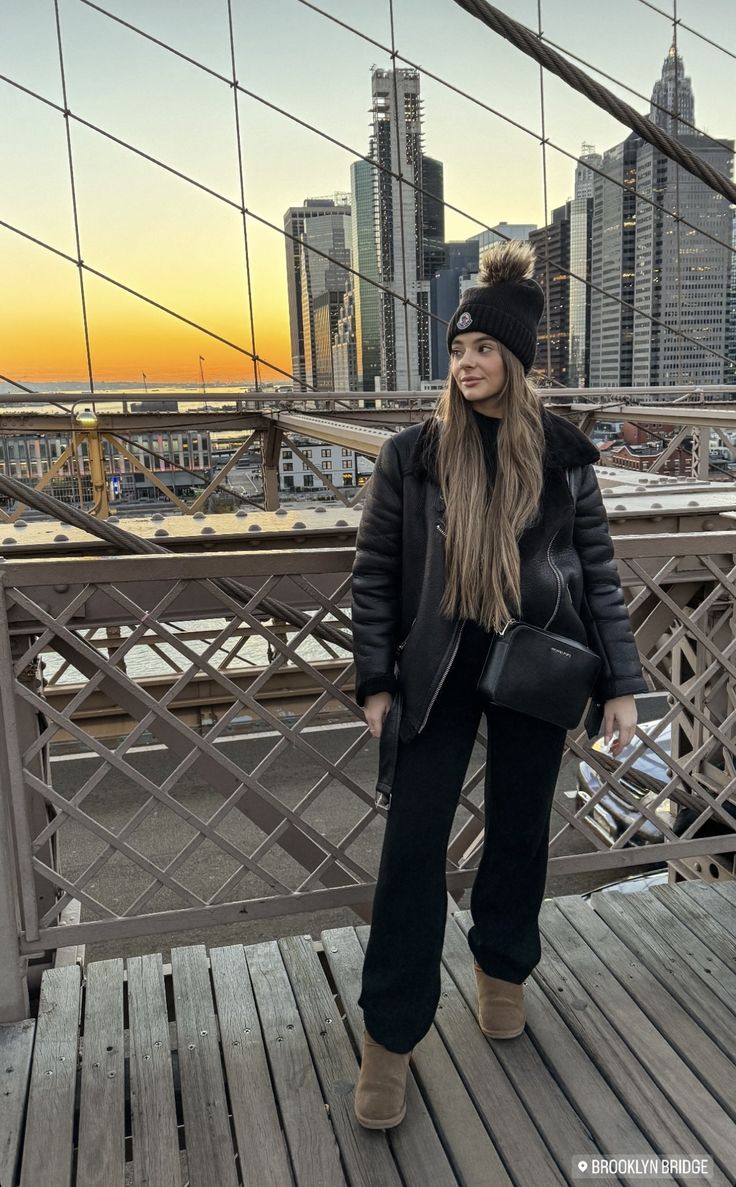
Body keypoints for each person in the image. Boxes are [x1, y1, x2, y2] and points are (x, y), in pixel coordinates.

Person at [349, 239, 648, 1130]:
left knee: (521, 833)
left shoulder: (561, 456)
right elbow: (372, 575)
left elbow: (597, 575)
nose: (467, 364)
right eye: (457, 349)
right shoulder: (413, 455)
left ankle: (503, 966)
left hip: (534, 665)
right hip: (436, 673)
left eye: (483, 350)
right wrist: (373, 683)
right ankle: (390, 1040)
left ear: (514, 361)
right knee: (412, 854)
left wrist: (621, 685)